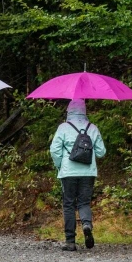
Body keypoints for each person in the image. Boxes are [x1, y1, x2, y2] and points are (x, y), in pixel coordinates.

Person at [50, 99, 106, 251]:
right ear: (84, 111)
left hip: (68, 172)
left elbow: (54, 150)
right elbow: (101, 152)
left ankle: (70, 242)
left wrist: (60, 165)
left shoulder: (63, 127)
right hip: (88, 172)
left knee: (69, 204)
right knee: (84, 202)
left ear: (69, 111)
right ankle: (86, 225)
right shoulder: (92, 127)